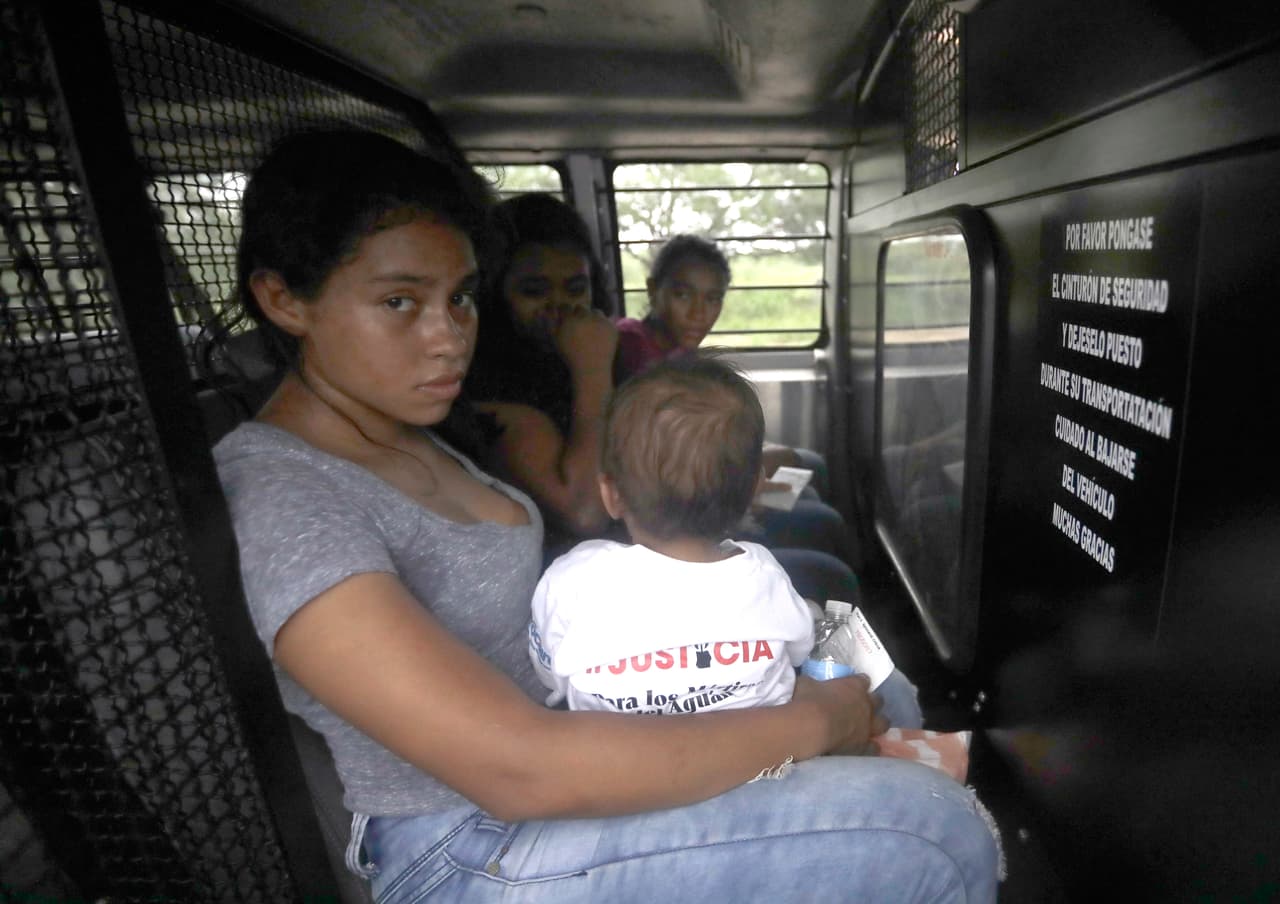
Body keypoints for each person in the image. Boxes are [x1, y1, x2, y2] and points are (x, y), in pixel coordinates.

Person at [212, 130, 1000, 902]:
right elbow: (520, 769)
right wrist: (813, 723)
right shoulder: (285, 496)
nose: (449, 337)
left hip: (581, 741)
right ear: (283, 298)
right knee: (935, 829)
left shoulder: (413, 433)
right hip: (470, 842)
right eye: (399, 302)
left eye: (459, 298)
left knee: (864, 665)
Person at [466, 196, 862, 605]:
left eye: (575, 288)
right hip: (632, 561)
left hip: (675, 519)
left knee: (805, 491)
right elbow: (585, 512)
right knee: (826, 555)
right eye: (534, 291)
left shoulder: (580, 362)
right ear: (495, 294)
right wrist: (591, 366)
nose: (560, 307)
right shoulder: (513, 394)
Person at [529, 355, 922, 730]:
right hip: (762, 768)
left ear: (610, 495)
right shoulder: (764, 574)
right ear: (754, 491)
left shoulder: (571, 578)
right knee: (867, 661)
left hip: (623, 776)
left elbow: (550, 675)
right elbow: (802, 650)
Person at [615, 233, 857, 566]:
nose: (699, 313)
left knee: (807, 470)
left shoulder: (674, 349)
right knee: (810, 490)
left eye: (713, 299)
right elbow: (670, 456)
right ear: (653, 289)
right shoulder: (635, 349)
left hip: (700, 476)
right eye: (683, 294)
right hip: (679, 500)